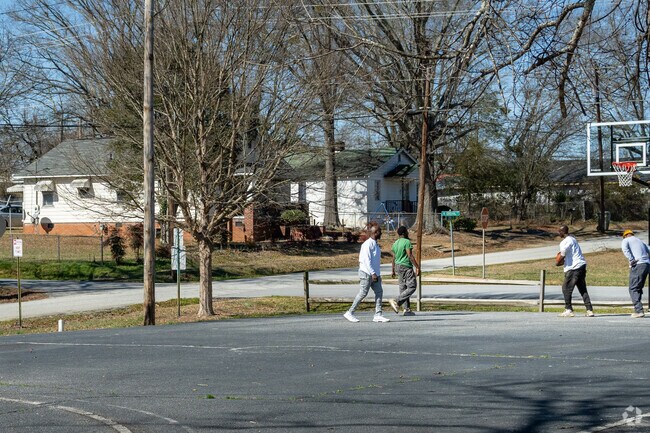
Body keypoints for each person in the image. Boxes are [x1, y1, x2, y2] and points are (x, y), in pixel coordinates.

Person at [343, 222, 390, 323]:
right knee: (363, 293)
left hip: (375, 274)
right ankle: (350, 312)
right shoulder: (367, 244)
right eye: (380, 232)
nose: (381, 233)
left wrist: (376, 273)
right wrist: (373, 273)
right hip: (367, 273)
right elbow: (366, 260)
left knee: (379, 292)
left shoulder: (375, 244)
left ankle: (378, 315)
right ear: (375, 232)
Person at [557, 225, 595, 317]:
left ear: (563, 232)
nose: (559, 233)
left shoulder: (566, 241)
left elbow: (564, 251)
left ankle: (568, 309)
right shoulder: (573, 239)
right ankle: (589, 310)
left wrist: (558, 261)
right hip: (581, 266)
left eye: (559, 231)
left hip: (574, 267)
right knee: (582, 288)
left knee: (566, 288)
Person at [388, 226, 420, 316]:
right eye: (407, 231)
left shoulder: (395, 243)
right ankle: (396, 301)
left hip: (398, 267)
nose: (408, 233)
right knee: (412, 286)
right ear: (404, 233)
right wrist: (417, 267)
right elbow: (410, 256)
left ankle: (407, 310)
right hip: (406, 266)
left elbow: (393, 258)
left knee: (403, 288)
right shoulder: (407, 242)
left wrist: (393, 270)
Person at [621, 229, 650, 318]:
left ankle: (639, 310)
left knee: (633, 288)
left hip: (638, 264)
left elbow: (625, 250)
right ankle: (638, 309)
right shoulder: (640, 241)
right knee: (639, 287)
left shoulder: (626, 240)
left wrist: (631, 260)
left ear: (625, 235)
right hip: (647, 265)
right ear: (632, 234)